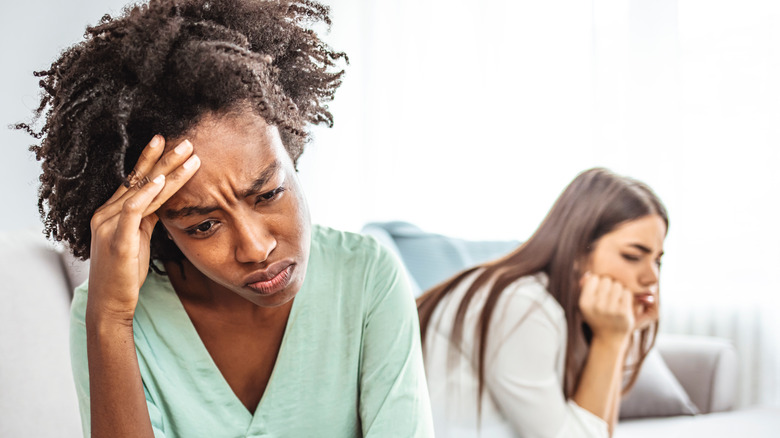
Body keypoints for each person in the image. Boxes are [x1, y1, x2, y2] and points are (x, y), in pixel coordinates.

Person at [17, 1, 433, 437]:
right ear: (156, 224)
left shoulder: (366, 277)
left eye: (269, 193)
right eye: (202, 226)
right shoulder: (111, 312)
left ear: (294, 150)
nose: (255, 248)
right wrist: (111, 319)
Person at [417, 168, 668, 437]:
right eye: (632, 256)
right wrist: (611, 340)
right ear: (577, 250)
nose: (651, 277)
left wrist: (619, 336)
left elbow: (598, 432)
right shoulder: (522, 306)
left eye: (657, 260)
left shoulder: (552, 306)